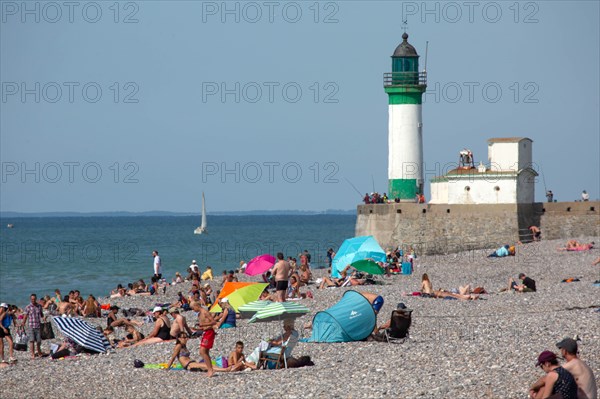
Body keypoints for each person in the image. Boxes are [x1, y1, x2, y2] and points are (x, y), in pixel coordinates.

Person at [23, 293, 45, 359]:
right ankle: (32, 354)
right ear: (30, 299)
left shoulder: (39, 306)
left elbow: (41, 314)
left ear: (36, 299)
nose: (33, 300)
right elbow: (25, 316)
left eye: (34, 299)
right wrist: (23, 323)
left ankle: (39, 352)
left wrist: (43, 318)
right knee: (31, 340)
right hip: (31, 325)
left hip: (38, 325)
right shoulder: (28, 307)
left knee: (38, 341)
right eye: (32, 299)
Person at [197, 306, 217, 377]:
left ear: (196, 306)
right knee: (205, 352)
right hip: (205, 332)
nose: (193, 310)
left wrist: (204, 325)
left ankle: (210, 369)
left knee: (202, 351)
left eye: (193, 308)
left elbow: (214, 322)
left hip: (209, 332)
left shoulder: (205, 312)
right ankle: (210, 368)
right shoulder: (200, 314)